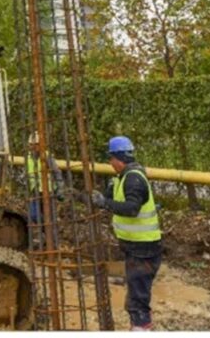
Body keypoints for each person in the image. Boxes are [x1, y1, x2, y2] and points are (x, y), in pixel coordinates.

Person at [83, 135, 162, 332]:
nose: (110, 163)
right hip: (136, 246)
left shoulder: (133, 178)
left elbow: (132, 208)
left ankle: (141, 327)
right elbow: (114, 201)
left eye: (111, 159)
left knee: (137, 294)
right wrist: (103, 197)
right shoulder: (123, 177)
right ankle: (141, 324)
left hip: (143, 247)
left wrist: (104, 203)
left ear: (118, 158)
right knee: (137, 290)